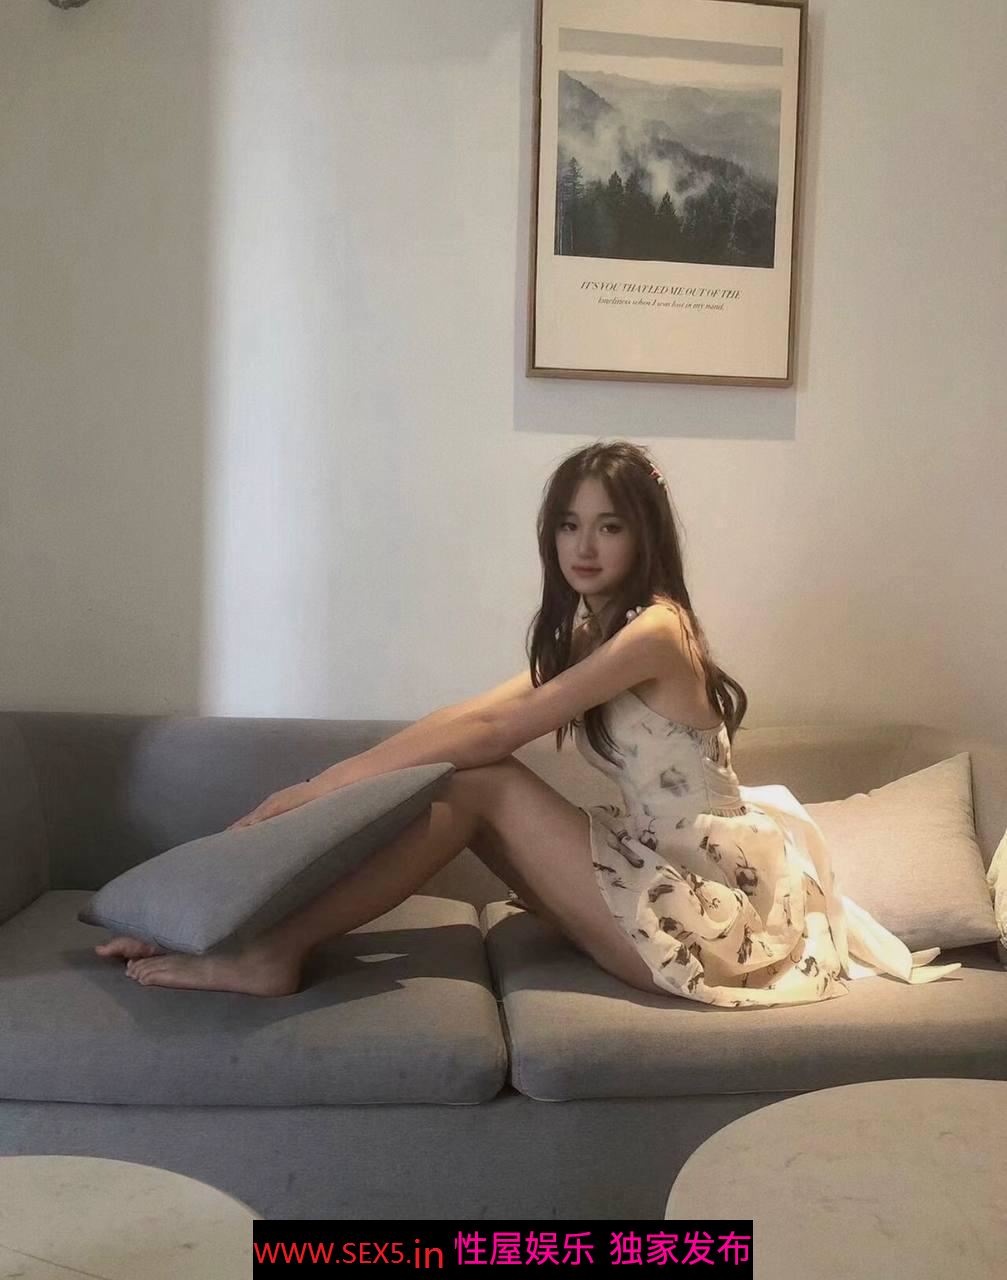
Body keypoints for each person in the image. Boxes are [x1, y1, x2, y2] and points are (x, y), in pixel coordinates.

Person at [95, 439, 961, 1003]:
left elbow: (490, 739)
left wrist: (325, 784)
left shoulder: (655, 632)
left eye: (608, 527)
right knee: (460, 779)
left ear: (644, 538)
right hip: (658, 875)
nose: (583, 546)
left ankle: (267, 951)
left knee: (483, 784)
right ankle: (237, 929)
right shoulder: (596, 631)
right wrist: (325, 784)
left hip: (711, 915)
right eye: (568, 525)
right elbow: (475, 713)